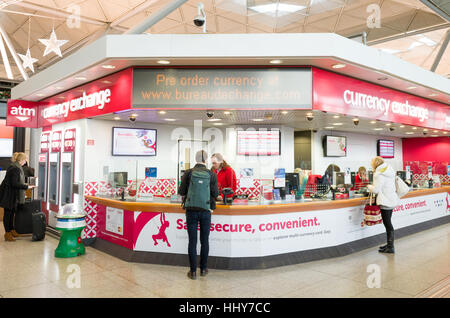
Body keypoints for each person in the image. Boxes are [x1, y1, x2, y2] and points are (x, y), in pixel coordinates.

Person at [179, 150, 219, 280]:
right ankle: (203, 269)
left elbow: (181, 191)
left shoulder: (188, 172)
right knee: (204, 241)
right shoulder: (211, 174)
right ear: (206, 160)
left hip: (191, 210)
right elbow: (215, 194)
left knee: (192, 241)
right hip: (206, 211)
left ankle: (193, 271)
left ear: (195, 159)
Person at [367, 156, 400, 254]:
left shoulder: (378, 174)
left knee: (387, 224)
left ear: (375, 164)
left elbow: (376, 189)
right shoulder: (389, 171)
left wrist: (368, 186)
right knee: (388, 223)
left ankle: (390, 247)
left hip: (385, 201)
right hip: (391, 199)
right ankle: (389, 245)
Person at [0, 152, 32, 242]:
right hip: (9, 195)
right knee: (8, 214)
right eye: (25, 159)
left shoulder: (15, 167)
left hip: (11, 194)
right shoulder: (15, 169)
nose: (25, 161)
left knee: (11, 213)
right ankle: (7, 233)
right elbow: (14, 183)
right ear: (21, 160)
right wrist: (26, 186)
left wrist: (23, 185)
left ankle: (12, 230)